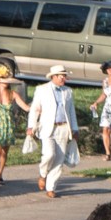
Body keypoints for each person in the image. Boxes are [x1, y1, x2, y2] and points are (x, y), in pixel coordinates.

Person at [25, 63, 81, 197]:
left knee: (59, 159)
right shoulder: (42, 89)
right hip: (47, 128)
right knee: (49, 154)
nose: (63, 79)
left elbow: (71, 111)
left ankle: (50, 188)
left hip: (63, 128)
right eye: (61, 76)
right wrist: (31, 126)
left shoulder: (68, 91)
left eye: (64, 76)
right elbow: (35, 109)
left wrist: (74, 129)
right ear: (54, 77)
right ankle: (43, 174)